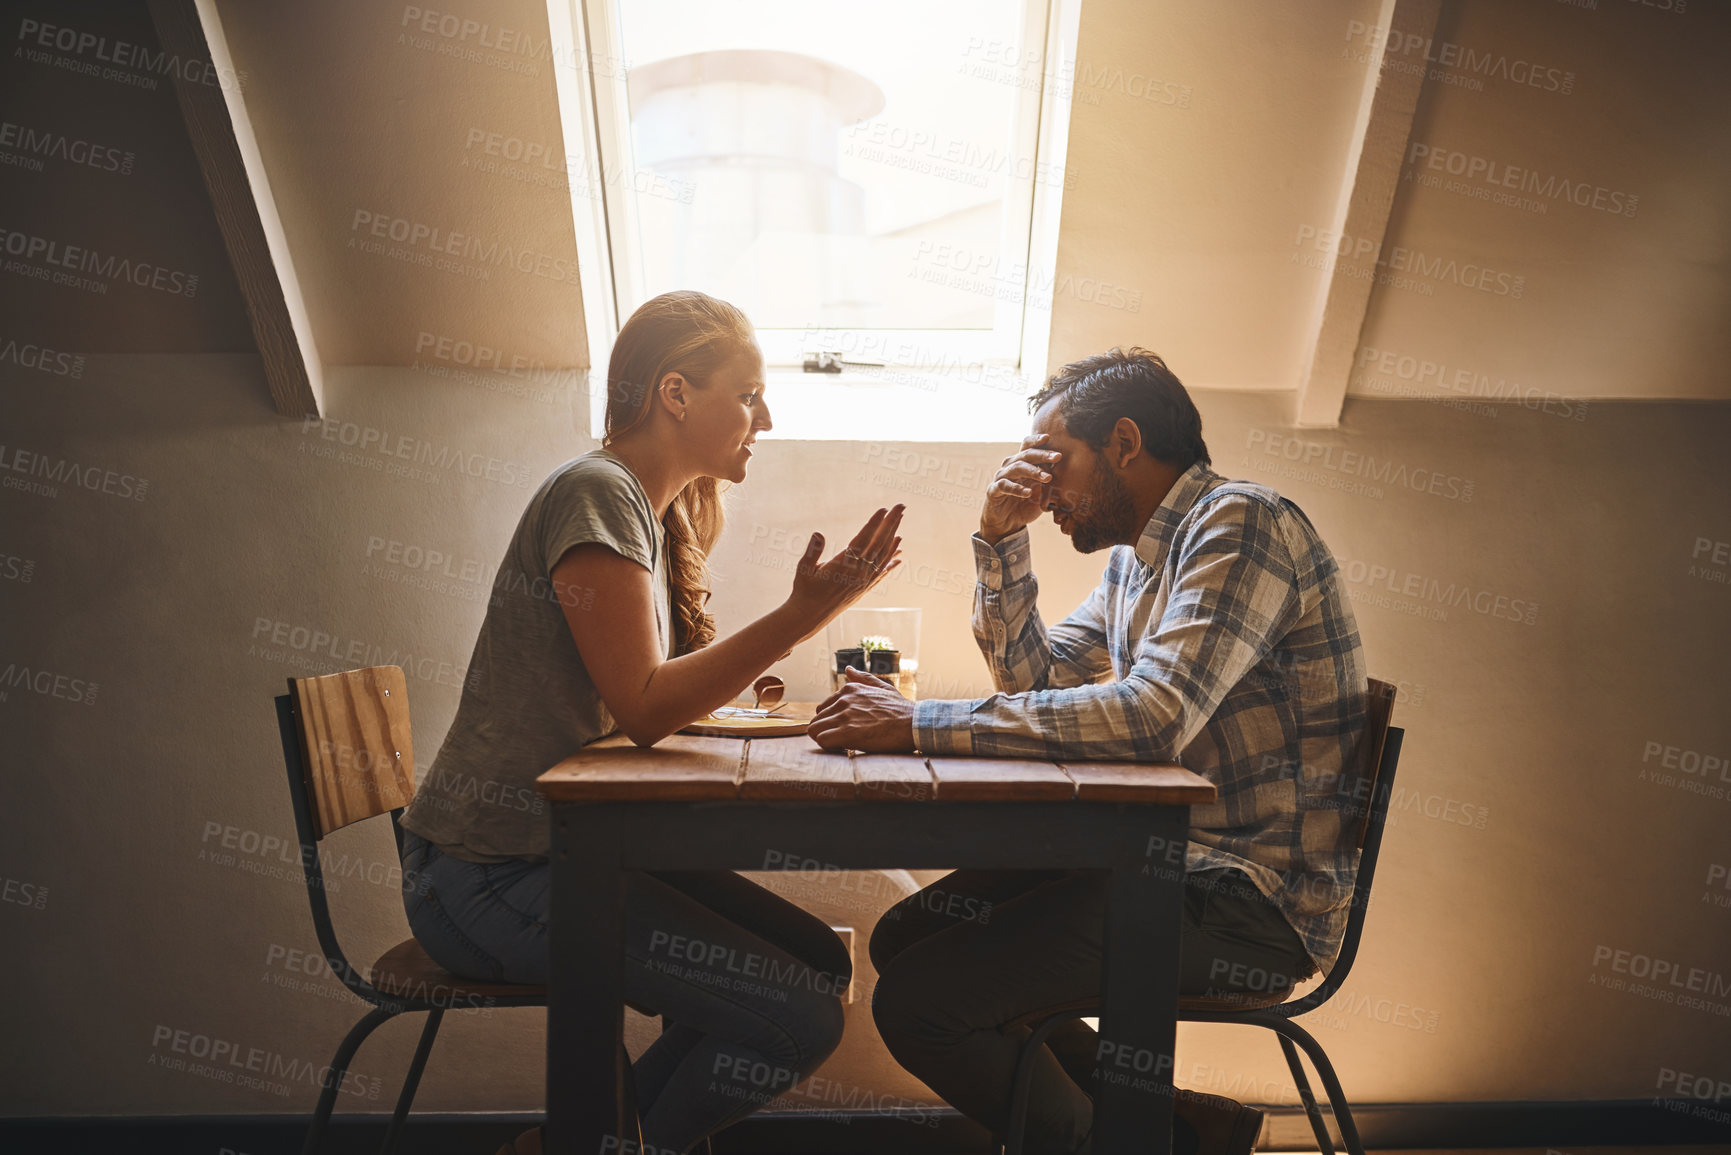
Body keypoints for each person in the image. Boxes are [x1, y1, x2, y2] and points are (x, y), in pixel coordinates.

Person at [811, 348, 1368, 1155]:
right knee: (907, 939)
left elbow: (1149, 718)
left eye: (1051, 460)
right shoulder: (1134, 561)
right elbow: (1032, 678)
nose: (1040, 490)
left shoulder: (1241, 523)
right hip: (1165, 858)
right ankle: (1170, 1130)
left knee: (920, 1004)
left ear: (1125, 443)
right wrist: (999, 540)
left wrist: (915, 721)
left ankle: (1129, 1142)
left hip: (1253, 899)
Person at [397, 290, 905, 1155]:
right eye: (747, 393)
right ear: (675, 392)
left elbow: (643, 697)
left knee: (817, 965)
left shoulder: (646, 508)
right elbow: (640, 704)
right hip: (486, 877)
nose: (765, 417)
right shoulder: (598, 494)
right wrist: (803, 613)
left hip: (559, 854)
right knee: (795, 1017)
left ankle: (592, 1139)